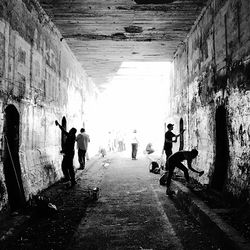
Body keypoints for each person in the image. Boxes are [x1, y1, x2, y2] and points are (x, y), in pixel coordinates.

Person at [55, 120, 77, 187]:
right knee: (69, 167)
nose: (69, 131)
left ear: (72, 132)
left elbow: (69, 146)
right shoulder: (71, 136)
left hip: (69, 153)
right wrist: (59, 125)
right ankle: (72, 180)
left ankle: (69, 179)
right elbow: (64, 131)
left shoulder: (72, 137)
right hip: (69, 153)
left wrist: (64, 151)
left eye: (70, 130)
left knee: (65, 166)